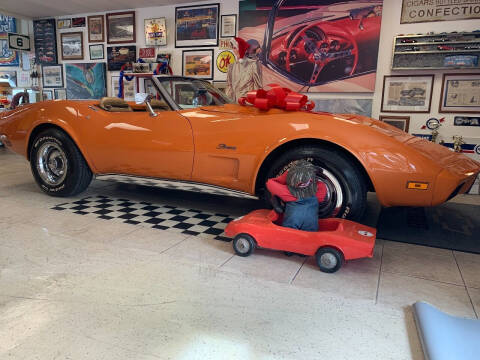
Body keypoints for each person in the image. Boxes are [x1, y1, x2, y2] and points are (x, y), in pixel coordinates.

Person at [266, 160, 328, 232]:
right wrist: (312, 172)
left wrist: (288, 174)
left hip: (291, 227)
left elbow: (270, 183)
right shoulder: (319, 190)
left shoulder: (287, 193)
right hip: (311, 229)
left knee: (288, 235)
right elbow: (320, 185)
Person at [226, 37, 263, 102]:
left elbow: (258, 88)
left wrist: (254, 106)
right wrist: (228, 103)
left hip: (248, 105)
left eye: (237, 48)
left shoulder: (253, 65)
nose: (235, 50)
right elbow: (229, 87)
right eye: (234, 48)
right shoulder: (231, 67)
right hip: (234, 105)